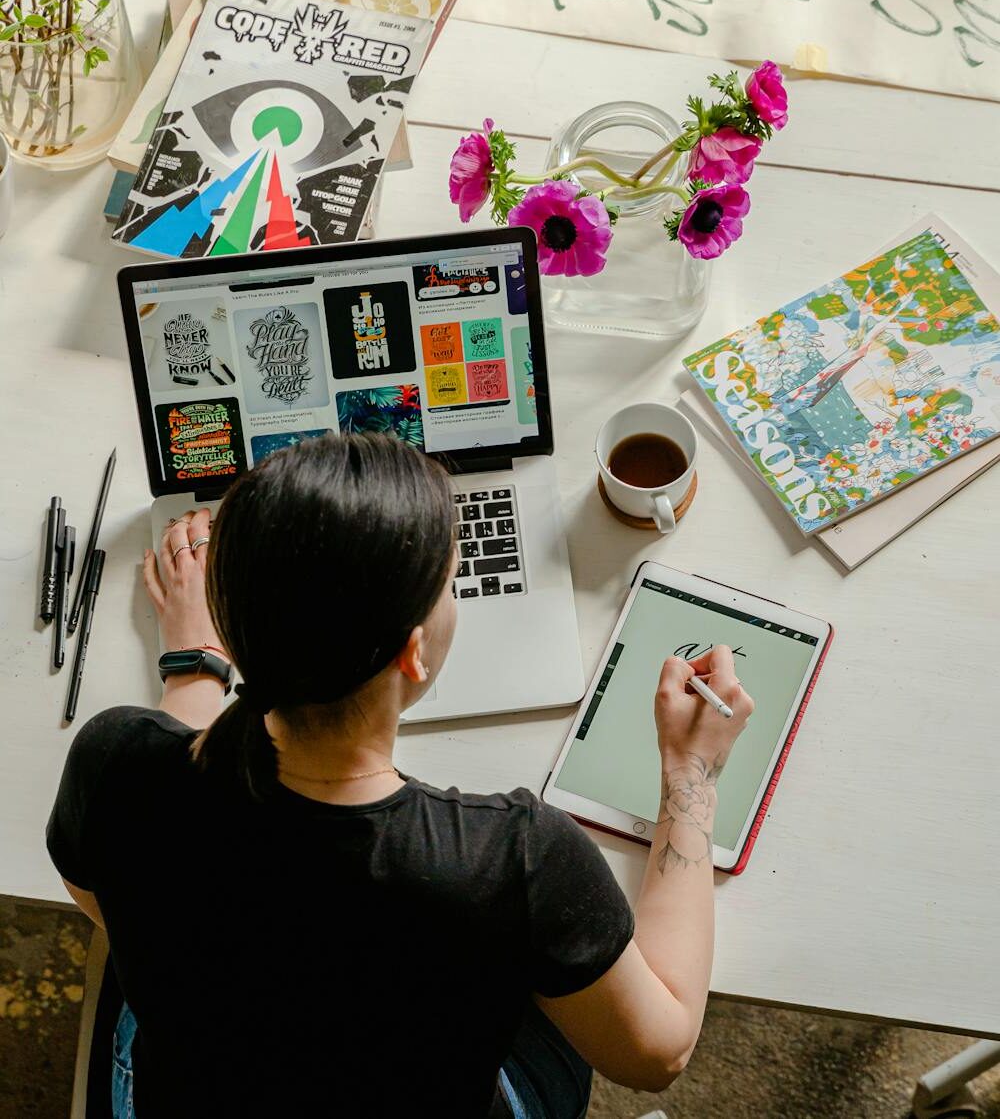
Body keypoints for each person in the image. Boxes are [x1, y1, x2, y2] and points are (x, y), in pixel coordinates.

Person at [47, 433, 753, 1119]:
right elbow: (656, 1055)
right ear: (413, 654)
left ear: (235, 626)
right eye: (450, 584)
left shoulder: (115, 761)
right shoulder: (512, 861)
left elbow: (104, 897)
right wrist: (691, 773)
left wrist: (194, 659)